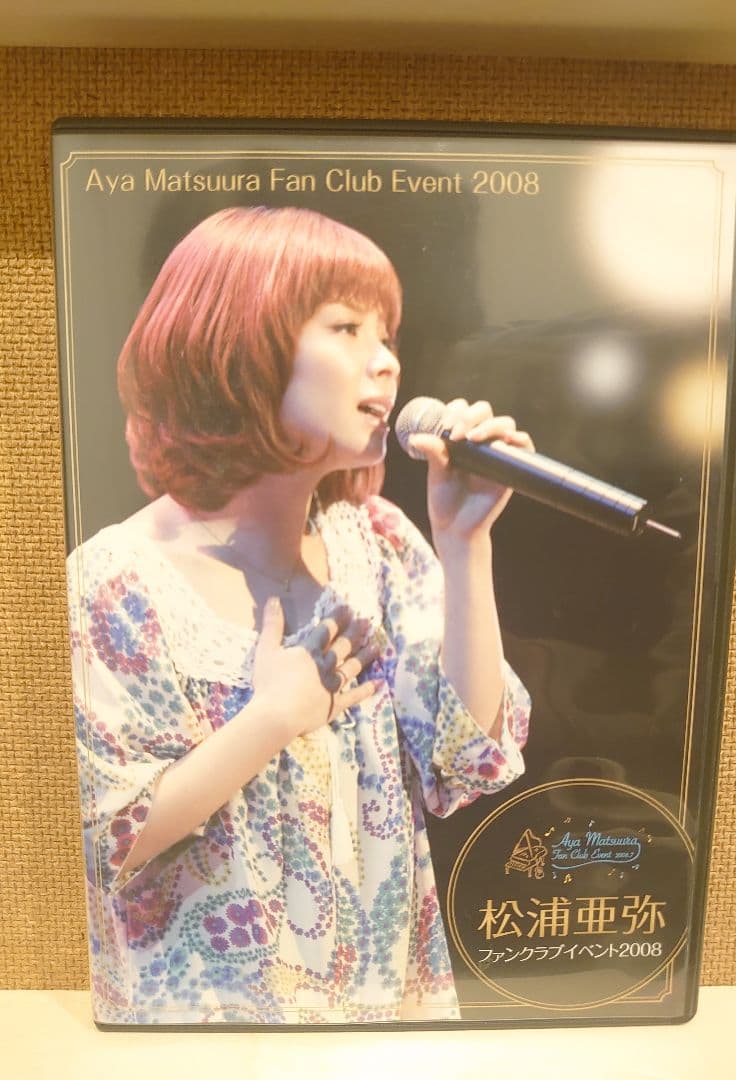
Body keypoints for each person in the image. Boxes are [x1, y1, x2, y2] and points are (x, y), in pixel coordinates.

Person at [67, 205, 532, 1025]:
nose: (386, 362)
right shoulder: (116, 581)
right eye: (347, 328)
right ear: (236, 346)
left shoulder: (377, 543)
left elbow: (466, 760)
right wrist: (273, 719)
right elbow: (109, 840)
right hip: (206, 1037)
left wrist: (466, 546)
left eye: (387, 335)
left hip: (375, 1023)